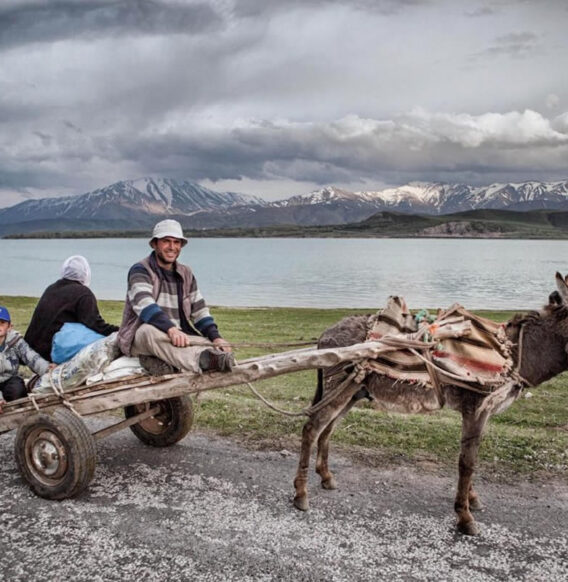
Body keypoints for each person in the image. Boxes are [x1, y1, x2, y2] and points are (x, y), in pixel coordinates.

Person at [117, 219, 234, 374]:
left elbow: (199, 311)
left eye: (177, 242)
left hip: (179, 335)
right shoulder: (140, 270)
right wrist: (170, 329)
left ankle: (214, 358)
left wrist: (216, 338)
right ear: (154, 244)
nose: (172, 247)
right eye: (166, 241)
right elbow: (144, 304)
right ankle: (201, 361)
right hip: (143, 337)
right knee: (148, 331)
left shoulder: (186, 273)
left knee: (216, 347)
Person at [24, 255, 119, 361]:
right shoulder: (83, 293)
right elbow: (96, 325)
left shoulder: (52, 288)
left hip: (33, 348)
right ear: (86, 273)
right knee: (99, 340)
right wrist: (119, 332)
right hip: (51, 351)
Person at [0, 305, 52, 413]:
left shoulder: (15, 341)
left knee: (18, 390)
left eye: (2, 323)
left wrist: (48, 369)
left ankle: (16, 415)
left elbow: (31, 357)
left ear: (9, 326)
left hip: (8, 378)